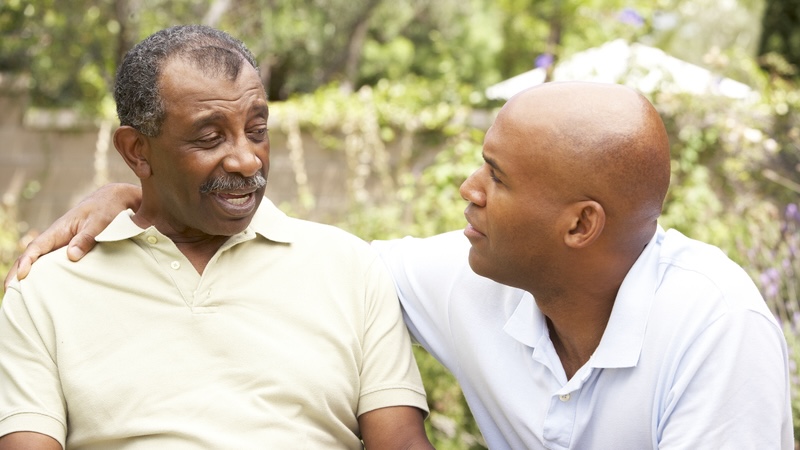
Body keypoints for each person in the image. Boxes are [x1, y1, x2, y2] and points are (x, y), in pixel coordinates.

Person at [5, 81, 793, 449]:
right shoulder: (469, 275)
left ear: (581, 225)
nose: (468, 190)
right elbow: (304, 260)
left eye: (498, 178)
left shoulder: (714, 326)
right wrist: (142, 195)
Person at [0, 25, 433, 450]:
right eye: (210, 137)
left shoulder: (350, 267)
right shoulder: (46, 289)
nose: (247, 160)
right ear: (137, 151)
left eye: (258, 131)